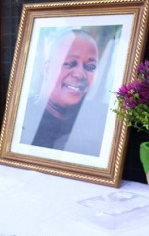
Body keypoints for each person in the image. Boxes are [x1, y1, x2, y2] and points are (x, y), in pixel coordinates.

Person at [20, 28, 107, 156]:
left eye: (90, 67)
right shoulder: (22, 115)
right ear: (47, 68)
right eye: (70, 63)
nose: (80, 74)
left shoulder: (102, 120)